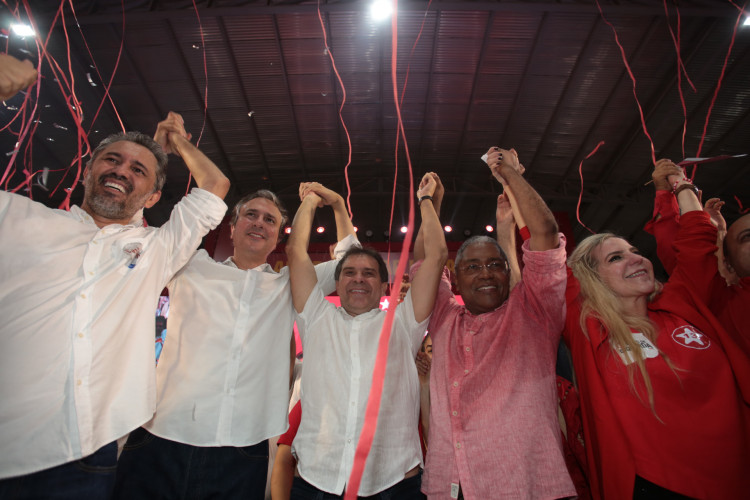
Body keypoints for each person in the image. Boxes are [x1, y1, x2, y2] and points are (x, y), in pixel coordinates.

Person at [0, 111, 229, 498]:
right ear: (89, 171)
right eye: (112, 160)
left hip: (86, 449)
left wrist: (173, 144)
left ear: (154, 197)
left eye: (138, 169)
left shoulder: (157, 249)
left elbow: (215, 183)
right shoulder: (18, 218)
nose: (122, 171)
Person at [113, 183, 358, 498]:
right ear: (232, 228)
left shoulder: (289, 286)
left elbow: (351, 263)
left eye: (269, 220)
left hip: (242, 446)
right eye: (251, 215)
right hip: (161, 435)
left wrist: (338, 204)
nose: (259, 222)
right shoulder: (192, 266)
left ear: (280, 235)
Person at [564, 166, 750, 498]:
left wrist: (679, 186)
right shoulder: (589, 329)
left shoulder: (683, 304)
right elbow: (544, 250)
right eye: (616, 257)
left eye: (636, 251)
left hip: (736, 481)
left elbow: (697, 239)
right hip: (653, 486)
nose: (636, 259)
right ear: (591, 279)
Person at [414, 150, 575, 499]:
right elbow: (425, 260)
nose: (485, 273)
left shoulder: (534, 314)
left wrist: (509, 177)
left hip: (528, 487)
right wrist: (429, 202)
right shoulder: (443, 319)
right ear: (454, 280)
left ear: (509, 270)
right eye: (472, 267)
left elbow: (545, 234)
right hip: (448, 486)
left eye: (494, 264)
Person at [286, 174, 447, 498]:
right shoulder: (316, 317)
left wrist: (426, 201)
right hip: (318, 480)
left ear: (384, 286)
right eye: (349, 272)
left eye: (369, 273)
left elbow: (437, 256)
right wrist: (311, 201)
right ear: (336, 281)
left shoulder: (404, 323)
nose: (358, 279)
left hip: (395, 481)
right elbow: (295, 252)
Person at [646, 158, 750, 373]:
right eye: (747, 237)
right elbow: (691, 254)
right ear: (729, 266)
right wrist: (675, 193)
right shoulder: (723, 306)